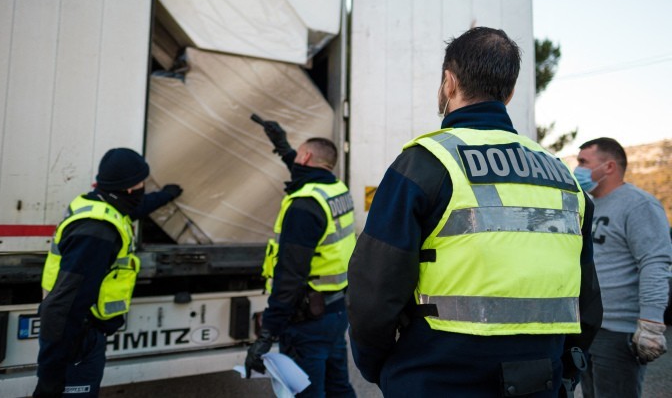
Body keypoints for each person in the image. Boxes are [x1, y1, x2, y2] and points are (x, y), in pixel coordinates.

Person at [346, 27, 603, 397]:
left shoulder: (424, 164)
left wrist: (382, 367)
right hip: (536, 381)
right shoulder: (564, 178)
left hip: (434, 379)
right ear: (510, 92)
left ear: (449, 83)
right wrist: (561, 368)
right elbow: (588, 300)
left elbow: (373, 291)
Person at [33, 148, 183, 397]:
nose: (143, 186)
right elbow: (62, 306)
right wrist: (50, 375)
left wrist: (166, 195)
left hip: (80, 333)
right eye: (140, 182)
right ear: (126, 188)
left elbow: (137, 207)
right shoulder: (97, 232)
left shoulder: (98, 202)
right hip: (77, 340)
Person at [245, 121, 356, 398]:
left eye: (297, 155)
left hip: (307, 320)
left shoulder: (304, 206)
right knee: (338, 387)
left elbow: (290, 277)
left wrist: (267, 334)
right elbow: (302, 173)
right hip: (335, 312)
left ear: (306, 157)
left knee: (306, 393)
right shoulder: (336, 190)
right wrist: (282, 146)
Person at [575, 137, 672, 398]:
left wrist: (651, 322)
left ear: (608, 167)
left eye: (584, 162)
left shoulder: (639, 204)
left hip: (618, 331)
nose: (578, 169)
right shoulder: (585, 204)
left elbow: (654, 262)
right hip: (586, 326)